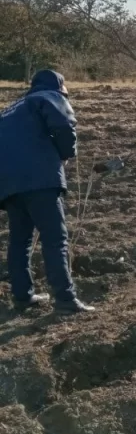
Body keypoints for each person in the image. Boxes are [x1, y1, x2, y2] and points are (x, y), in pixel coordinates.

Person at [0, 70, 95, 314]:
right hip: (40, 179)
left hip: (8, 184)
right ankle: (65, 300)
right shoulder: (49, 97)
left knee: (19, 240)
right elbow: (64, 125)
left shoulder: (10, 110)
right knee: (55, 238)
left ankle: (22, 297)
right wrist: (66, 153)